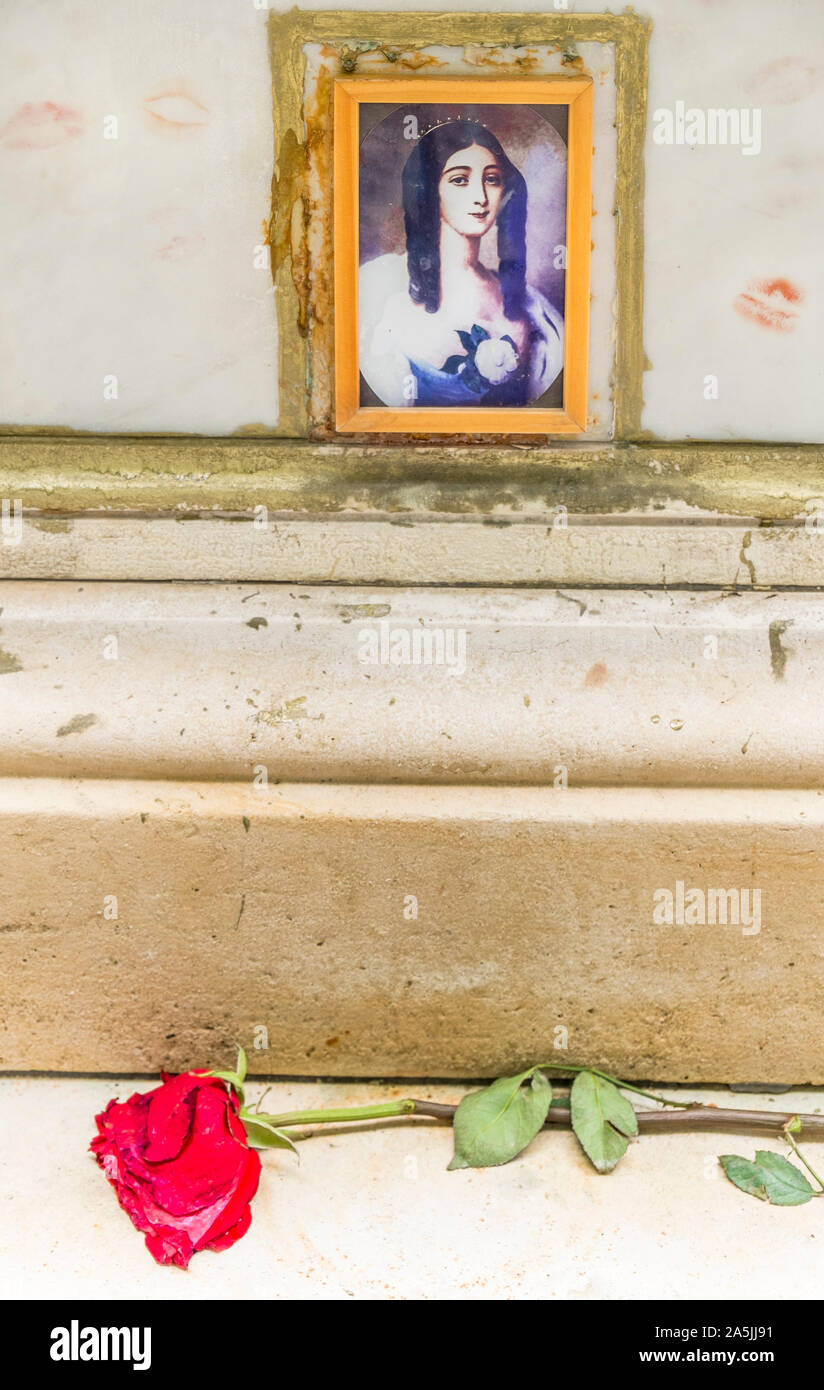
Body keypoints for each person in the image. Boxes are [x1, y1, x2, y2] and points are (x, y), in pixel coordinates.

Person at [359, 118, 564, 408]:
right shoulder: (379, 287)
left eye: (491, 179)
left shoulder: (531, 304)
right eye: (460, 180)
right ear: (431, 191)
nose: (480, 197)